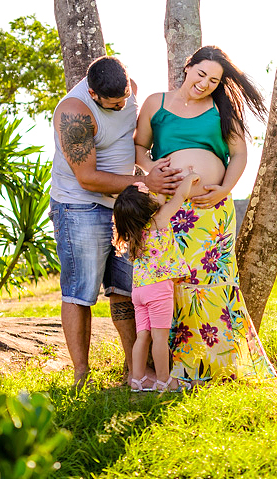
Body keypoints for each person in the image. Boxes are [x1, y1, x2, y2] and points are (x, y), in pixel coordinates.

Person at [134, 45, 276, 384]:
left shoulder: (222, 109)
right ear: (188, 67)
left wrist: (225, 188)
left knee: (212, 284)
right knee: (175, 285)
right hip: (170, 210)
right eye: (201, 74)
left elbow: (239, 155)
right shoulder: (157, 103)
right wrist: (152, 168)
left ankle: (217, 365)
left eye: (214, 80)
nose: (205, 83)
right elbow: (138, 146)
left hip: (212, 212)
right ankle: (176, 369)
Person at [50, 55, 182, 387]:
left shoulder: (129, 89)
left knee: (126, 286)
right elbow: (88, 178)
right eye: (115, 103)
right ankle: (82, 374)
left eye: (125, 98)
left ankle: (133, 370)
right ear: (94, 94)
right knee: (80, 291)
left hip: (122, 205)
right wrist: (143, 183)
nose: (124, 105)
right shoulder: (74, 113)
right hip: (80, 206)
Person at [112, 172, 201, 393]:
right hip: (159, 288)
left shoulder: (134, 232)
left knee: (143, 336)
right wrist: (190, 178)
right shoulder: (159, 220)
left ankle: (138, 379)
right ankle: (165, 381)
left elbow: (159, 200)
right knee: (160, 338)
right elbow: (180, 197)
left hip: (139, 290)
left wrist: (156, 189)